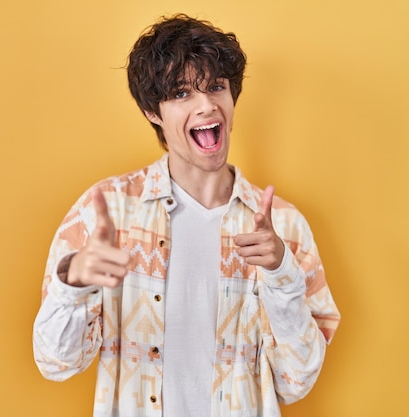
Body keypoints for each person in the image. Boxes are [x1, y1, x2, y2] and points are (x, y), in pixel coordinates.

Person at [33, 13, 340, 417]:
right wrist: (72, 283)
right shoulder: (106, 210)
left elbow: (295, 383)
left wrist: (283, 276)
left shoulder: (284, 227)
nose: (206, 105)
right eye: (181, 94)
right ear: (152, 112)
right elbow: (57, 363)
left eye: (216, 87)